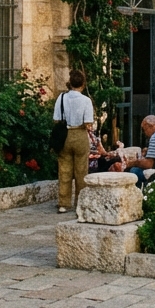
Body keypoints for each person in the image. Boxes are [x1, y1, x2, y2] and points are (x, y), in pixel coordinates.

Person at [53, 69, 94, 214]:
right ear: (83, 84)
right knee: (81, 170)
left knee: (64, 169)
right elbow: (88, 122)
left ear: (70, 83)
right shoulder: (86, 100)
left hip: (65, 135)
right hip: (80, 135)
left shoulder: (62, 98)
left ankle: (64, 203)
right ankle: (80, 203)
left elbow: (56, 118)